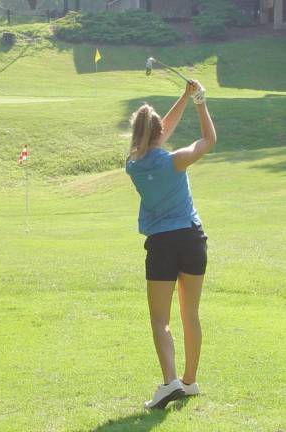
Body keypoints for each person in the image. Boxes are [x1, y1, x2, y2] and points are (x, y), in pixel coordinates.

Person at [125, 80, 217, 409]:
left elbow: (157, 132)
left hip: (161, 244)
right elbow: (208, 140)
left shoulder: (133, 165)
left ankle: (170, 383)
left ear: (136, 135)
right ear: (159, 132)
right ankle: (189, 382)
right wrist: (198, 101)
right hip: (192, 239)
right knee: (190, 314)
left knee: (160, 321)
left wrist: (183, 96)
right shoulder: (176, 160)